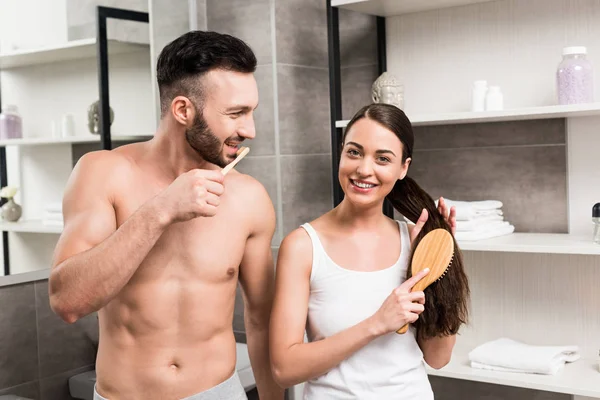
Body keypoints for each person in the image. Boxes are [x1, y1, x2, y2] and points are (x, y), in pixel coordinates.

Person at [48, 31, 284, 400]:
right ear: (183, 110)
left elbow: (261, 320)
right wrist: (160, 210)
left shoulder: (249, 197)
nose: (249, 130)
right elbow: (67, 302)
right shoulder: (103, 173)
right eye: (236, 114)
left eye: (251, 112)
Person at [269, 103, 470, 399]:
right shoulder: (303, 247)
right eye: (354, 152)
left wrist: (440, 268)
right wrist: (376, 324)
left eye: (383, 159)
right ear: (341, 152)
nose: (364, 169)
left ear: (403, 167)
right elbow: (284, 369)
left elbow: (438, 358)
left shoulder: (412, 243)